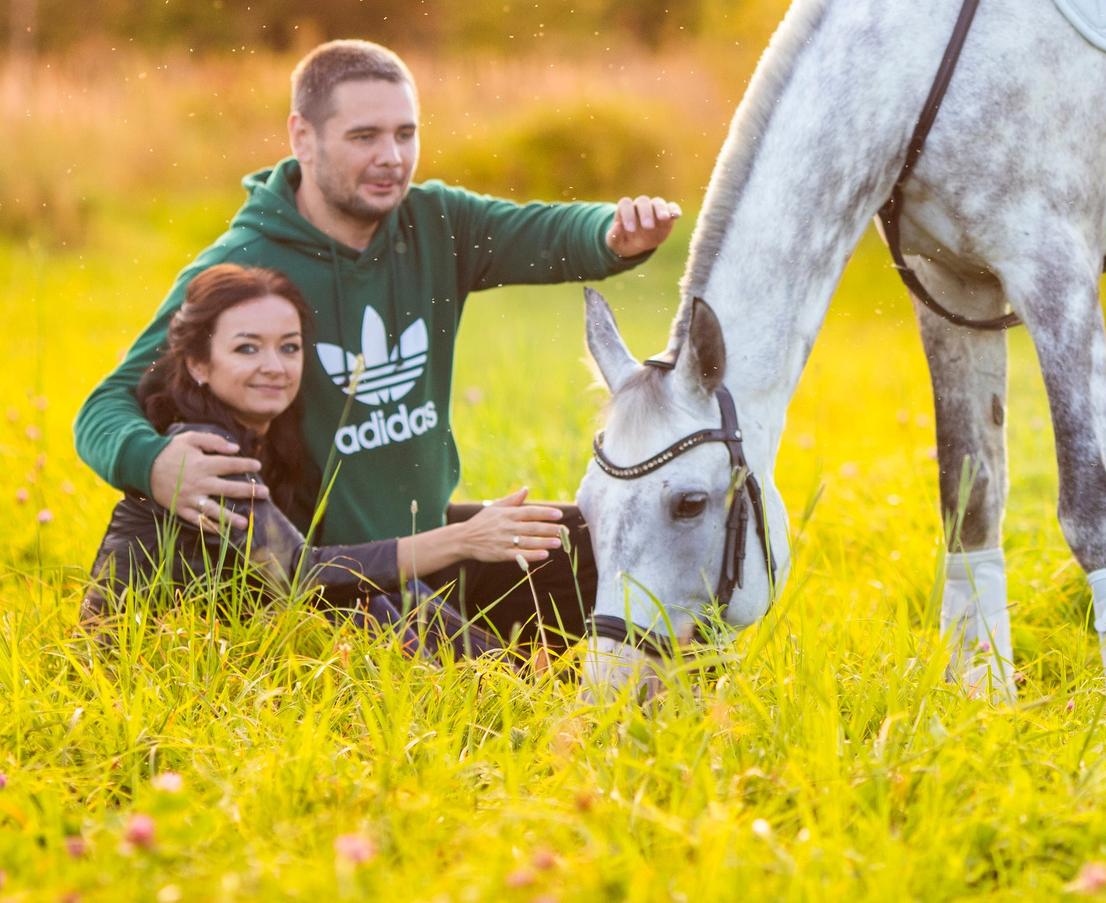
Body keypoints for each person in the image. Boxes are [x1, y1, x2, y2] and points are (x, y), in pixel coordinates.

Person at [72, 38, 681, 653]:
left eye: (405, 134)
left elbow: (541, 232)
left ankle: (679, 691)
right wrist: (151, 462)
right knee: (503, 684)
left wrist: (615, 233)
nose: (392, 157)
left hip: (424, 540)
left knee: (596, 540)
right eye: (364, 137)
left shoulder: (436, 223)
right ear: (302, 137)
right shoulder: (243, 270)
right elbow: (107, 404)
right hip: (331, 574)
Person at [84, 263, 566, 657]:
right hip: (141, 661)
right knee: (371, 608)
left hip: (215, 645)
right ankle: (526, 690)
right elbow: (300, 575)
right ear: (198, 364)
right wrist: (465, 538)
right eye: (247, 348)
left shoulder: (270, 439)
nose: (275, 366)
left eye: (289, 347)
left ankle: (528, 683)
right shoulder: (204, 448)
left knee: (395, 600)